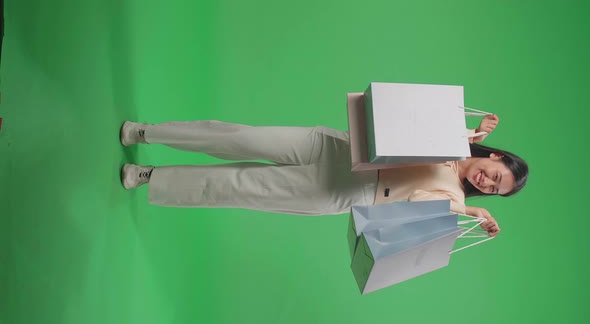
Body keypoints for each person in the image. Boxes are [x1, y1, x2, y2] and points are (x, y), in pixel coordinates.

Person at [119, 115, 528, 237]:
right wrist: (460, 132)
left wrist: (468, 210)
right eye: (495, 175)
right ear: (494, 156)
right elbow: (405, 122)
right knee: (242, 137)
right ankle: (148, 133)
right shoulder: (451, 139)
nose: (487, 183)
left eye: (495, 190)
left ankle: (148, 174)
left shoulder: (453, 195)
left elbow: (419, 204)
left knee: (234, 186)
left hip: (340, 190)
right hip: (335, 148)